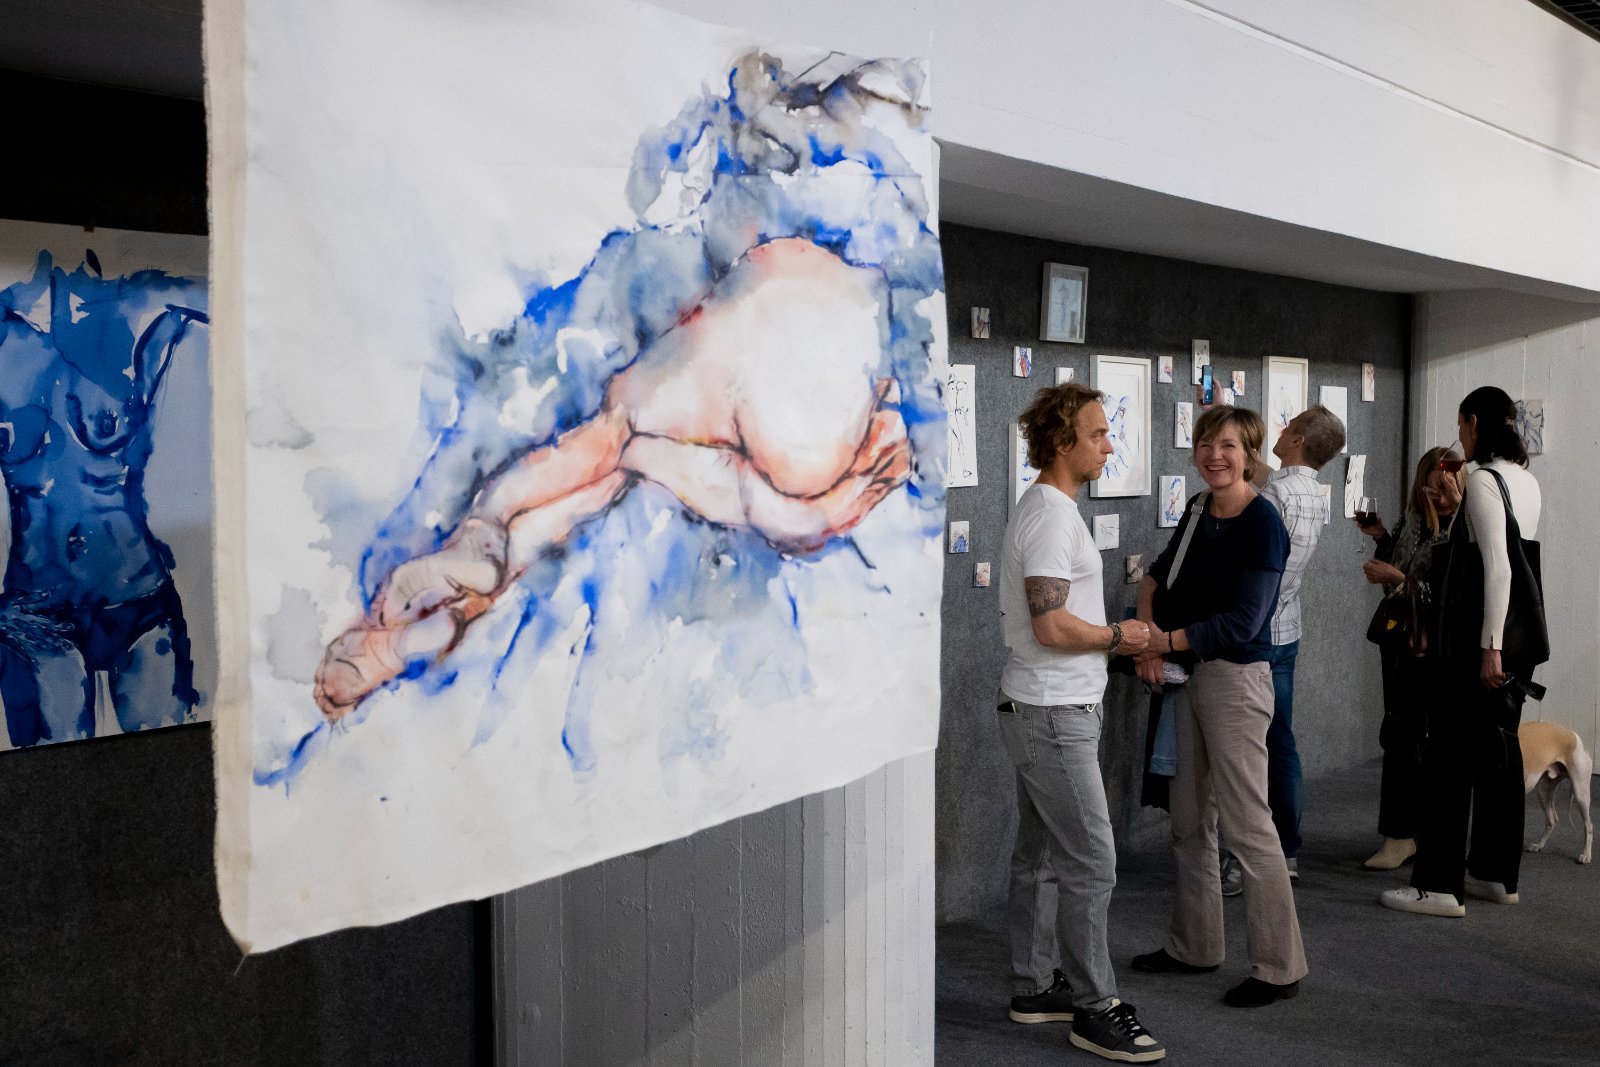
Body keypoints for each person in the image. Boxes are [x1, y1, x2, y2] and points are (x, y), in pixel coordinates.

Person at [997, 381, 1166, 1063]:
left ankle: (1035, 985)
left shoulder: (1053, 508)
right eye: (1098, 434)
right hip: (1052, 712)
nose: (1109, 445)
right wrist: (1120, 636)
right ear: (1062, 441)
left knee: (1042, 856)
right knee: (1092, 859)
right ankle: (1095, 1008)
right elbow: (1050, 624)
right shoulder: (1050, 516)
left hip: (1049, 708)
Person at [1130, 405, 1307, 1008]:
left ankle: (1280, 967)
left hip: (1235, 682)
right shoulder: (1198, 509)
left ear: (1250, 452)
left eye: (1228, 446)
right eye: (1206, 444)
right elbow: (1155, 579)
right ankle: (1195, 946)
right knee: (1188, 821)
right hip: (1187, 676)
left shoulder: (1263, 523)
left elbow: (1244, 622)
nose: (1215, 456)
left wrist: (1165, 643)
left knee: (1247, 825)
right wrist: (1148, 639)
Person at [0, 252, 207, 747]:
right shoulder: (8, 345)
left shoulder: (140, 331)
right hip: (36, 614)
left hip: (139, 599)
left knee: (171, 764)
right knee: (52, 778)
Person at [1382, 387, 1542, 917]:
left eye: (1461, 425)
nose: (1460, 436)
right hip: (1516, 637)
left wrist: (1488, 648)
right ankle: (1494, 874)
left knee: (1448, 757)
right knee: (1499, 754)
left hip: (1478, 638)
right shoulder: (1526, 480)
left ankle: (1437, 886)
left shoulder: (1484, 481)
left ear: (1474, 422)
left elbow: (1497, 568)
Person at [1219, 404, 1344, 892]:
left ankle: (1248, 857)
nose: (1281, 430)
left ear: (1298, 440)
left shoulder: (1273, 497)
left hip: (1257, 635)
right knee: (1281, 741)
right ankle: (1285, 850)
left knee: (1250, 750)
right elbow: (1273, 477)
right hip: (1288, 630)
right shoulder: (1311, 491)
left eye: (1289, 426)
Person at [1356, 446, 1464, 870]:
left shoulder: (1465, 526)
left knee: (1412, 736)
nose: (1435, 496)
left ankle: (1402, 836)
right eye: (1428, 488)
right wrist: (1381, 536)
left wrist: (1399, 578)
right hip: (1401, 639)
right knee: (1401, 733)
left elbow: (1453, 593)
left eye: (1443, 488)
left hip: (1435, 645)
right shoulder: (1414, 520)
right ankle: (1405, 834)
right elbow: (1398, 563)